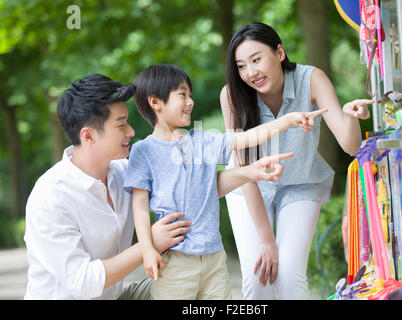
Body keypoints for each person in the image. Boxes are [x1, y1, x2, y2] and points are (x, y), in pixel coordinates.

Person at [125, 63, 326, 299]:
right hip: (175, 260)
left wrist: (289, 119)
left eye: (190, 95)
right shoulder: (143, 151)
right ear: (155, 102)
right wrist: (148, 249)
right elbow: (139, 206)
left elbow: (248, 137)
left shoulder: (202, 142)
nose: (190, 102)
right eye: (182, 95)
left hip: (214, 259)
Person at [220, 22, 374, 300]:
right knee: (258, 281)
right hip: (248, 187)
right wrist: (267, 240)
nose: (251, 72)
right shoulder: (233, 95)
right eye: (242, 66)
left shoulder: (311, 79)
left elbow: (351, 145)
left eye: (257, 59)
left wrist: (350, 116)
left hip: (301, 182)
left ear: (279, 52)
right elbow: (244, 170)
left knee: (289, 276)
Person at [23, 74, 192, 300]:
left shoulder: (124, 172)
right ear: (88, 135)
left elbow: (185, 184)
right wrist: (148, 243)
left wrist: (246, 171)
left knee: (190, 279)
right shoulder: (51, 196)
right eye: (121, 124)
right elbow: (82, 282)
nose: (131, 131)